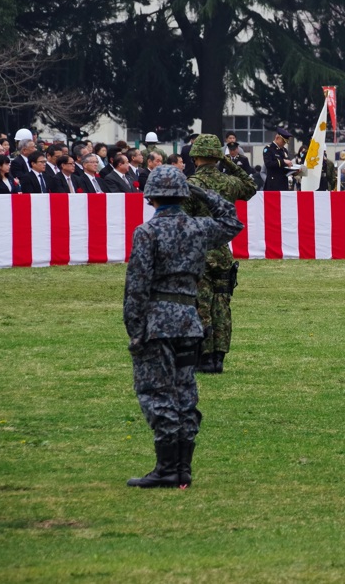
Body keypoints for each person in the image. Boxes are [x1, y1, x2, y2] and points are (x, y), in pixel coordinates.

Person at [124, 166, 244, 489]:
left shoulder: (146, 233)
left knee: (158, 393)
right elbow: (232, 221)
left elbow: (136, 287)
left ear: (151, 198)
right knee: (185, 393)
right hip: (190, 321)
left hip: (157, 323)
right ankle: (183, 470)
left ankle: (167, 469)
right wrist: (202, 192)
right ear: (183, 196)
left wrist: (134, 330)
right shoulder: (197, 228)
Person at [182, 134, 257, 375]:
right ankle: (218, 357)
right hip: (222, 252)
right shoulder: (229, 183)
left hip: (198, 253)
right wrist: (230, 163)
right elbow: (250, 187)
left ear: (196, 157)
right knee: (222, 305)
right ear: (217, 157)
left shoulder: (190, 184)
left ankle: (203, 357)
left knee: (200, 304)